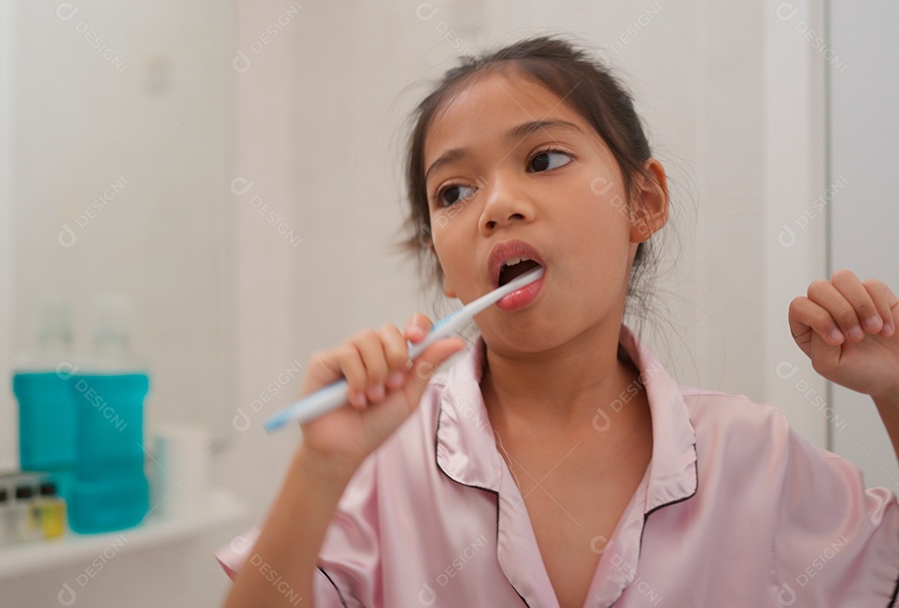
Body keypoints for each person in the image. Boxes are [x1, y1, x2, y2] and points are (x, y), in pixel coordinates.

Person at [217, 35, 899, 607]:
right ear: (445, 266)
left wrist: (895, 391)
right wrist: (320, 468)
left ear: (643, 201)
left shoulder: (755, 456)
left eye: (543, 159)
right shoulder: (380, 471)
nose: (498, 205)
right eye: (454, 192)